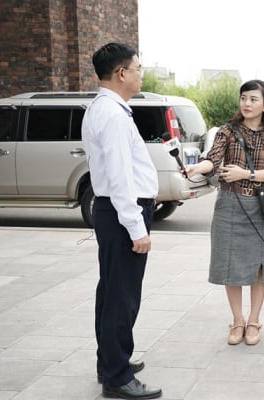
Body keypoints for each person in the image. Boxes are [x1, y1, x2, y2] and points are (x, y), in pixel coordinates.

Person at [82, 42, 162, 399]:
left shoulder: (105, 108)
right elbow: (119, 177)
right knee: (122, 296)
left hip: (111, 211)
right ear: (122, 73)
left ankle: (110, 361)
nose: (141, 73)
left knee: (111, 291)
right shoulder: (113, 114)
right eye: (138, 68)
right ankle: (117, 376)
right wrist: (137, 227)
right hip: (120, 213)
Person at [186, 80, 264, 346]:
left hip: (260, 208)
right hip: (229, 204)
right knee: (230, 264)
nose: (247, 104)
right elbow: (213, 158)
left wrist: (246, 174)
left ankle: (254, 320)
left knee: (258, 267)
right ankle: (237, 320)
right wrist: (198, 168)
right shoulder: (227, 132)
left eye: (254, 99)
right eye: (243, 98)